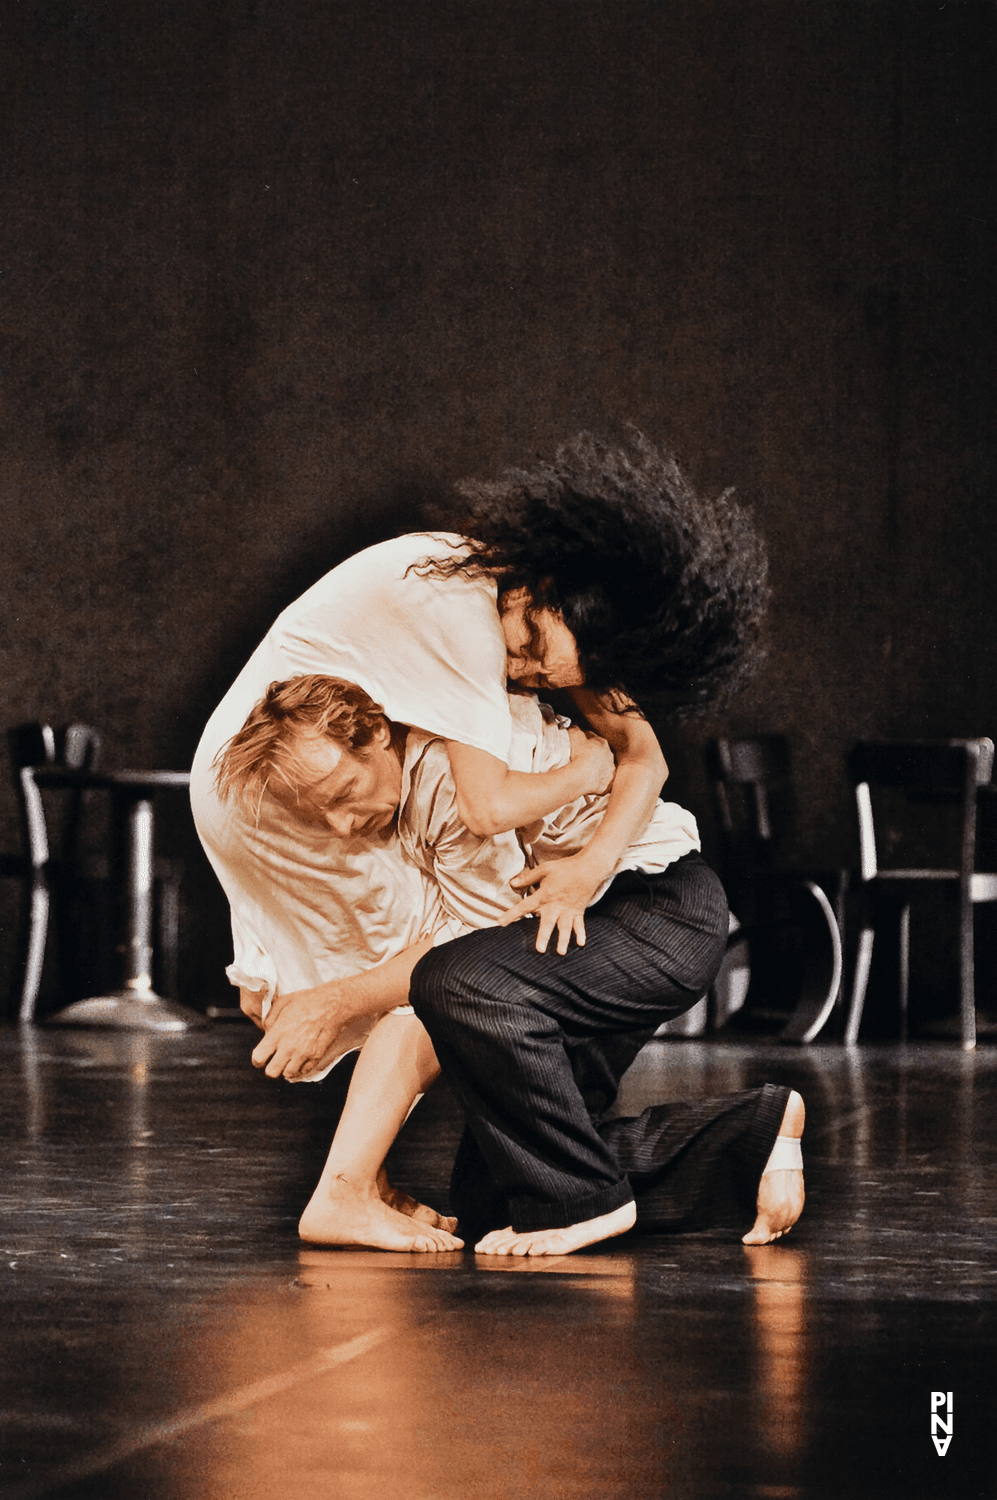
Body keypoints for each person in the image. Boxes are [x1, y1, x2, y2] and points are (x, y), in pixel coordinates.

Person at [215, 674, 805, 1256]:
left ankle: (587, 1201)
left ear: (373, 732)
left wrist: (336, 1001)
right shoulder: (413, 786)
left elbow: (466, 949)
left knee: (455, 981)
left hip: (656, 911)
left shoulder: (444, 772)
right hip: (584, 933)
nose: (343, 824)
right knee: (500, 1195)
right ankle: (751, 1136)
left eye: (344, 791)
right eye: (324, 813)